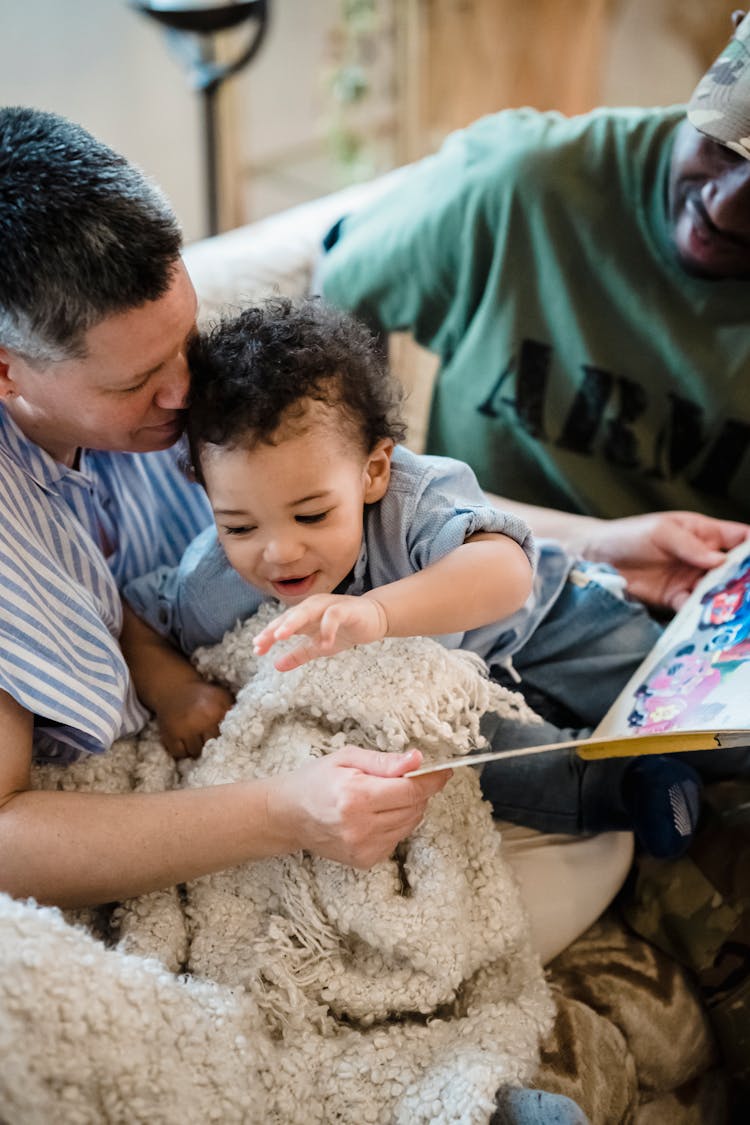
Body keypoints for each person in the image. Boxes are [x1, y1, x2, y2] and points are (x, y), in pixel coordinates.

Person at [317, 11, 750, 1104]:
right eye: (730, 146)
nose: (730, 206)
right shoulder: (520, 185)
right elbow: (309, 368)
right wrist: (581, 537)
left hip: (688, 647)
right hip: (479, 595)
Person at [0, 106, 448, 912]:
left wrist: (602, 541)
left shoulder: (171, 384)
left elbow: (367, 490)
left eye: (183, 338)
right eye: (137, 380)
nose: (185, 389)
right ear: (7, 372)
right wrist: (285, 811)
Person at [122, 296, 702, 859]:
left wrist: (379, 613)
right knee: (459, 761)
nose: (279, 553)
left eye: (312, 515)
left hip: (550, 623)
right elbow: (139, 615)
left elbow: (505, 573)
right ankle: (631, 787)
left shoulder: (414, 499)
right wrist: (176, 691)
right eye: (240, 525)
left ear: (373, 471)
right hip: (452, 701)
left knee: (679, 691)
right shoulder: (214, 579)